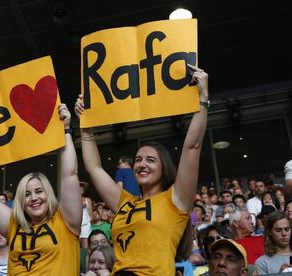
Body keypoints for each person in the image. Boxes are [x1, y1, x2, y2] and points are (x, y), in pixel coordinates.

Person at [75, 64, 209, 275]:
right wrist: (86, 126)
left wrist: (202, 100)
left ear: (164, 167)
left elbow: (192, 146)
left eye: (150, 160)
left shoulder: (175, 201)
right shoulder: (124, 202)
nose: (141, 164)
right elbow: (94, 168)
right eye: (138, 160)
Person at [0, 104, 82, 275]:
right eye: (26, 194)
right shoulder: (13, 225)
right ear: (20, 202)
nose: (34, 198)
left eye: (39, 191)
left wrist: (66, 130)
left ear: (49, 194)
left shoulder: (66, 221)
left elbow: (69, 175)